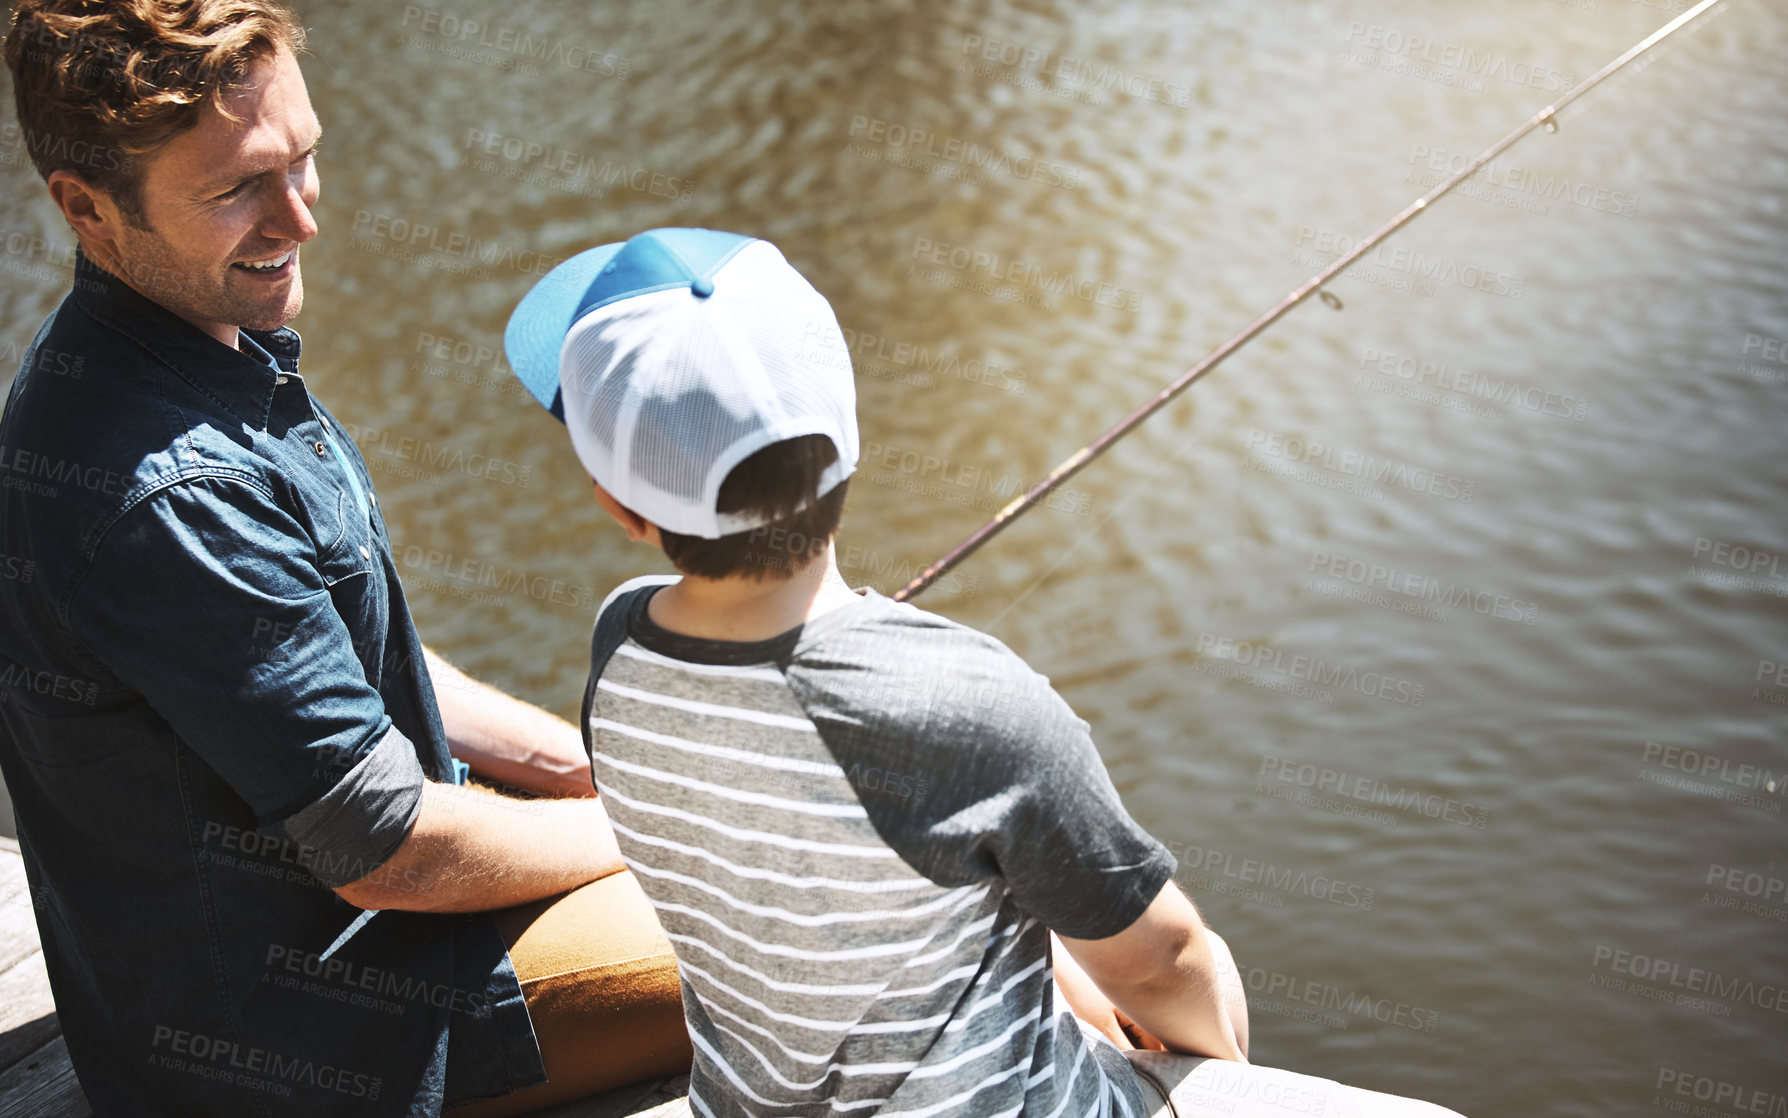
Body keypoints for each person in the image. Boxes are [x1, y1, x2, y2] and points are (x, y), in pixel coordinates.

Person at [503, 227, 1470, 1116]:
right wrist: (1212, 1077)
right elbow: (1161, 960)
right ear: (847, 439)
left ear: (618, 504)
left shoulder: (618, 643)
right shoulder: (968, 704)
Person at [0, 3, 687, 1114]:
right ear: (85, 207)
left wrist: (594, 768)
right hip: (314, 1034)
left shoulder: (192, 339)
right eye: (237, 189)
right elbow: (384, 845)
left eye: (302, 159)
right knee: (854, 917)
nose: (300, 218)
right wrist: (665, 825)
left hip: (354, 945)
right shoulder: (167, 490)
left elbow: (352, 655)